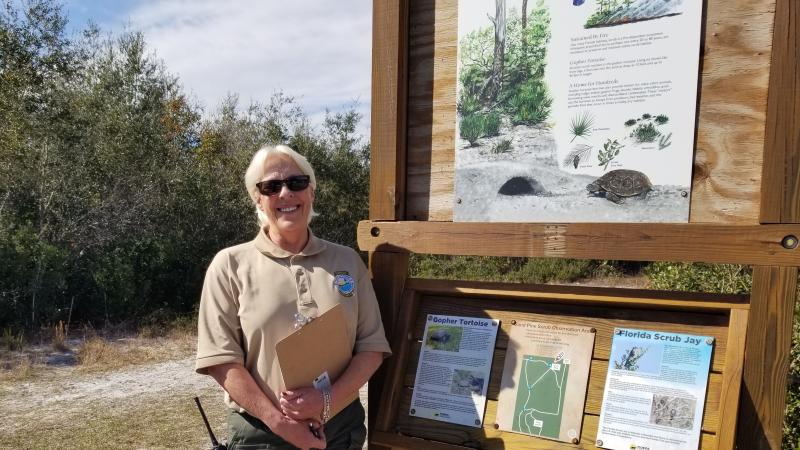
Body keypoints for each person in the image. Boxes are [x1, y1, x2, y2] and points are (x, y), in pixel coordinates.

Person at [195, 144, 391, 450]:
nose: (285, 193)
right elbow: (221, 361)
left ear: (311, 191)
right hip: (262, 434)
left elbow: (372, 347)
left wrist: (326, 401)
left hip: (341, 429)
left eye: (296, 183)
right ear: (257, 198)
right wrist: (282, 424)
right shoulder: (229, 266)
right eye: (271, 186)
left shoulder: (348, 262)